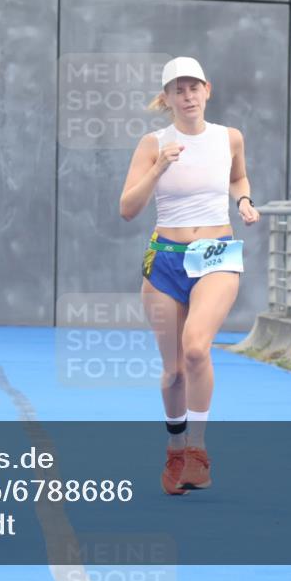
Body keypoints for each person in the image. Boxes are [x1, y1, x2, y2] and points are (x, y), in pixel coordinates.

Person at [119, 57, 260, 495]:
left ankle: (197, 453)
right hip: (165, 258)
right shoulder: (152, 144)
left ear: (207, 90)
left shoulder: (229, 137)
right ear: (166, 98)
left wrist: (244, 202)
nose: (187, 96)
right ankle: (175, 450)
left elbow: (237, 177)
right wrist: (159, 167)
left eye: (194, 87)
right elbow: (127, 208)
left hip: (215, 253)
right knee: (174, 371)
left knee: (197, 348)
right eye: (178, 90)